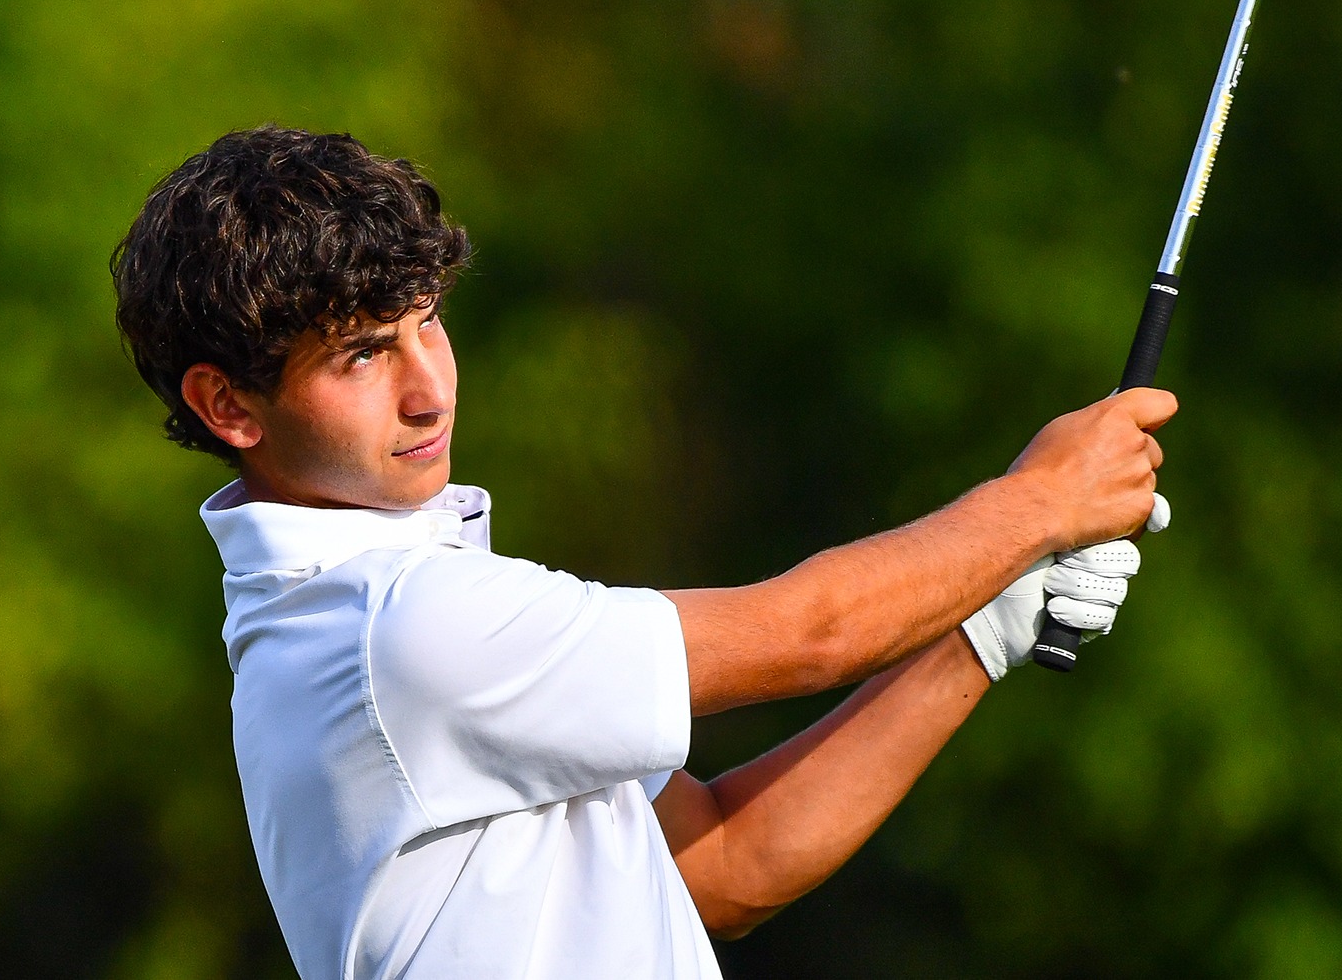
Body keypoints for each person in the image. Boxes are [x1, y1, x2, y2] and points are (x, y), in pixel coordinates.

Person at [111, 125, 1176, 979]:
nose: (428, 386)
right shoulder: (394, 628)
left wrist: (976, 630)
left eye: (426, 322)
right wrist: (1034, 503)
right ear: (226, 403)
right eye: (360, 354)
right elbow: (812, 633)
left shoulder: (371, 618)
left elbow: (727, 863)